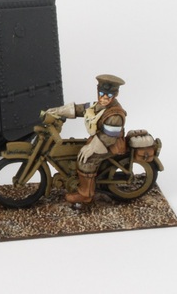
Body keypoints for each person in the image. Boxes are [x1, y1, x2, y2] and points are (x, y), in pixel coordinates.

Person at [47, 74, 127, 204]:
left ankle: (85, 195)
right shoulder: (98, 106)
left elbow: (109, 137)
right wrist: (59, 111)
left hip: (111, 144)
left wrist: (93, 147)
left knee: (86, 160)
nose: (104, 98)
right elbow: (83, 109)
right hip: (99, 139)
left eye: (109, 95)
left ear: (115, 95)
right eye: (101, 93)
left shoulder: (115, 114)